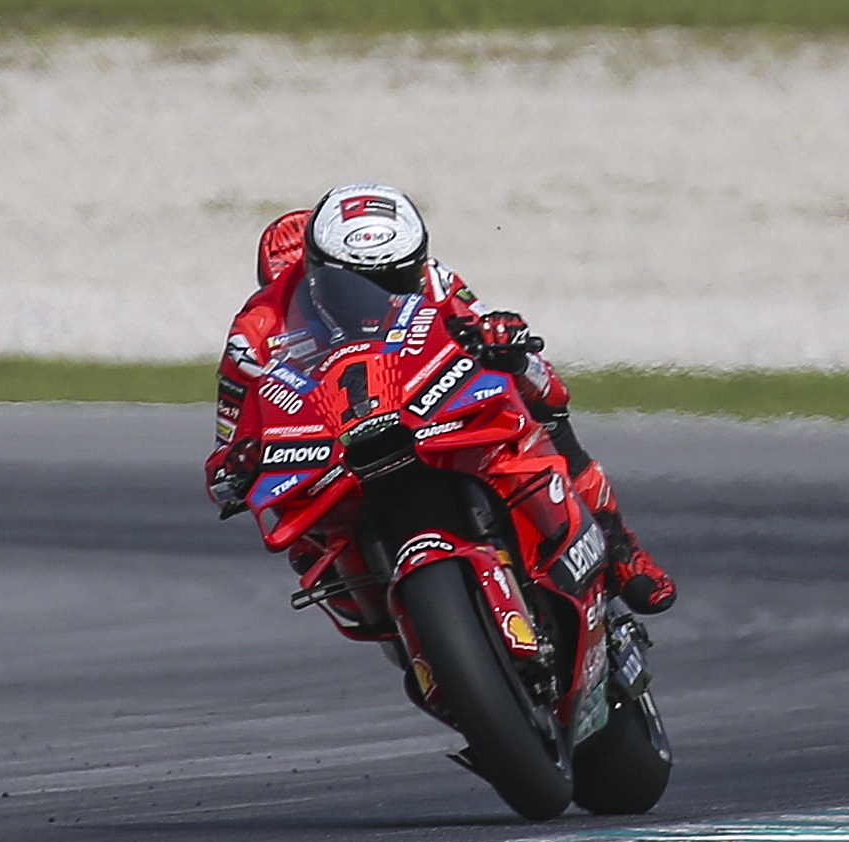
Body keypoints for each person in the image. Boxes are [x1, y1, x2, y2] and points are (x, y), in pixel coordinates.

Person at [207, 183, 676, 615]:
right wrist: (238, 463)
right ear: (315, 271)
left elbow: (487, 329)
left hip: (422, 411)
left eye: (397, 276)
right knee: (303, 541)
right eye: (357, 281)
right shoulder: (255, 334)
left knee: (539, 390)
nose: (385, 291)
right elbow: (225, 453)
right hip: (337, 451)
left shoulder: (433, 278)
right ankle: (398, 618)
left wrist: (503, 341)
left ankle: (618, 548)